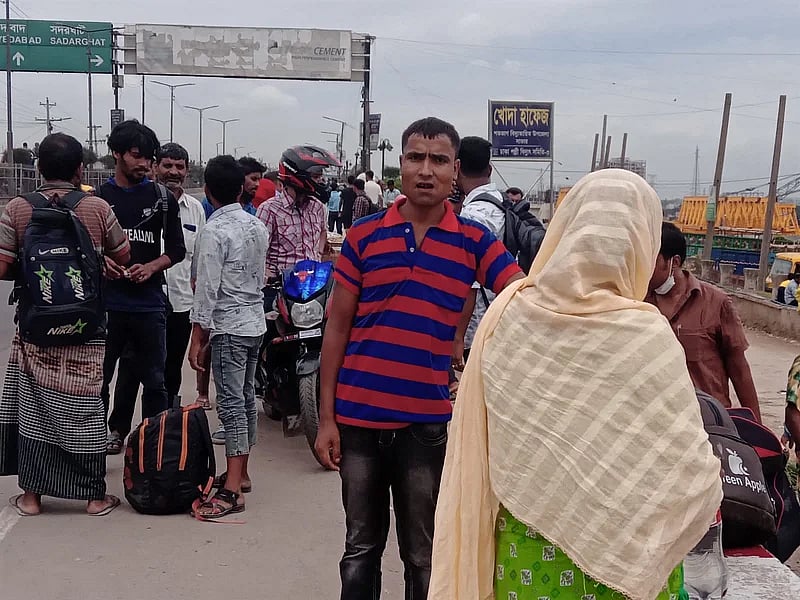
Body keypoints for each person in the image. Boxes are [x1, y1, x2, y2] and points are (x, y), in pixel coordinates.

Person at [429, 169, 724, 600]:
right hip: (631, 558)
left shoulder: (509, 319)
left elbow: (487, 445)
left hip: (529, 557)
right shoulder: (647, 335)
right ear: (641, 242)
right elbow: (686, 471)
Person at [315, 117, 524, 600]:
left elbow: (522, 298)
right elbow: (337, 329)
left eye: (438, 160)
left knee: (424, 555)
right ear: (400, 166)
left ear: (456, 172)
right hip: (358, 422)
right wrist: (326, 419)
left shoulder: (475, 243)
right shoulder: (364, 236)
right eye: (415, 158)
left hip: (426, 428)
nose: (425, 170)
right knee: (360, 550)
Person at [0, 133, 131, 516]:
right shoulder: (97, 207)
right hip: (86, 327)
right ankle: (93, 497)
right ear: (79, 170)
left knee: (34, 407)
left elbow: (3, 266)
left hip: (35, 327)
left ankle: (31, 498)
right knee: (87, 405)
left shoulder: (18, 209)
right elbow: (123, 253)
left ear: (38, 168)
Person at [99, 120, 186, 455]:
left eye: (148, 158)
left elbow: (176, 251)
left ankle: (153, 451)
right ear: (117, 154)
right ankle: (101, 439)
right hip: (107, 307)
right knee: (101, 382)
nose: (144, 164)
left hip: (150, 307)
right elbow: (84, 250)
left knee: (155, 382)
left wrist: (151, 267)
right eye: (136, 156)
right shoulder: (98, 200)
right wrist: (102, 262)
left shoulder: (163, 199)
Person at [187, 155, 267, 518]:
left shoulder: (213, 232)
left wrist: (197, 336)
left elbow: (206, 288)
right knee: (246, 399)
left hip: (229, 327)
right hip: (254, 324)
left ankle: (232, 490)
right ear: (240, 189)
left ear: (207, 190)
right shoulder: (256, 226)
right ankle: (242, 474)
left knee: (232, 405)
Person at [647, 222, 762, 421]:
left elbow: (739, 369)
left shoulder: (716, 303)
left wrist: (757, 428)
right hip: (658, 423)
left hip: (709, 423)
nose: (642, 267)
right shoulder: (636, 303)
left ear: (673, 262)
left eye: (650, 260)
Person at [257, 145, 336, 311]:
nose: (321, 181)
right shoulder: (269, 209)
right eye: (316, 176)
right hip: (279, 291)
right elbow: (257, 253)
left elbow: (322, 231)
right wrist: (268, 275)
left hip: (313, 289)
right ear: (297, 176)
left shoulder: (318, 207)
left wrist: (318, 254)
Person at [456, 136, 506, 365]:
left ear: (456, 167)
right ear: (490, 169)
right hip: (499, 312)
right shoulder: (499, 202)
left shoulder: (473, 215)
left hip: (479, 324)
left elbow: (470, 283)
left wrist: (457, 339)